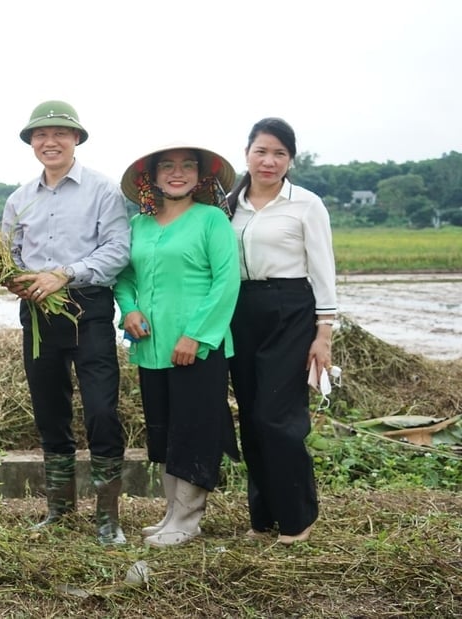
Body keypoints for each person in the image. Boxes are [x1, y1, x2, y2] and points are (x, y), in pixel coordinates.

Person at [1, 100, 132, 544]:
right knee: (49, 411)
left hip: (88, 310)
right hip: (38, 315)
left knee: (100, 410)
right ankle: (59, 508)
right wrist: (16, 280)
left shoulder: (102, 190)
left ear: (76, 139)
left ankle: (108, 517)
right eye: (40, 135)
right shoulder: (19, 199)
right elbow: (10, 256)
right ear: (31, 143)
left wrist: (65, 274)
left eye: (59, 133)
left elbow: (117, 251)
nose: (49, 142)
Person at [115, 145, 240, 547]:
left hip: (197, 346)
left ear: (200, 176)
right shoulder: (139, 224)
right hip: (152, 345)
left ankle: (188, 519)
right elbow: (124, 275)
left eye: (187, 166)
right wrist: (129, 309)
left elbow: (226, 281)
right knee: (165, 430)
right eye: (167, 166)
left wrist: (197, 336)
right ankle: (172, 512)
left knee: (195, 429)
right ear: (151, 177)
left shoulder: (211, 220)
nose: (177, 173)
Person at [227, 117, 336, 545]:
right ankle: (263, 519)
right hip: (240, 311)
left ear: (290, 159)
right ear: (247, 153)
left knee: (278, 418)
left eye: (279, 153)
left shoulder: (306, 204)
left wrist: (323, 334)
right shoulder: (229, 204)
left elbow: (323, 272)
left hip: (290, 310)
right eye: (261, 151)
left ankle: (297, 519)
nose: (269, 161)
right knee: (252, 417)